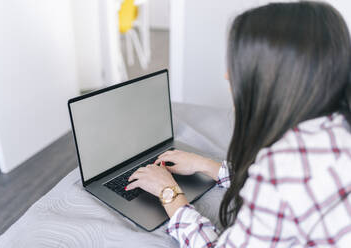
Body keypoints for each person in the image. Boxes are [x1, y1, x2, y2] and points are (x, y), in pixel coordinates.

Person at [126, 1, 351, 247]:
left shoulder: (285, 167)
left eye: (240, 66)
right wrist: (205, 165)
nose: (227, 75)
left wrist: (169, 193)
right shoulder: (336, 130)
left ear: (274, 79)